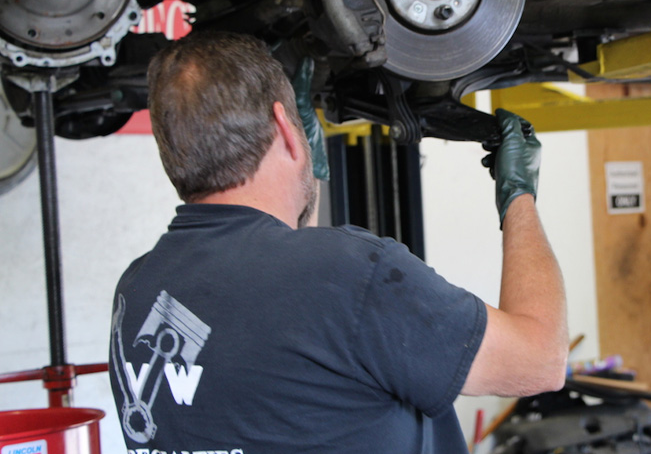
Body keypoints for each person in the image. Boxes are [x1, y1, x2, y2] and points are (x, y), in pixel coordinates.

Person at [107, 31, 568, 454]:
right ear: (286, 128)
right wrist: (518, 196)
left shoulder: (140, 289)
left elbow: (287, 317)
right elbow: (541, 358)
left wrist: (305, 172)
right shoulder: (349, 274)